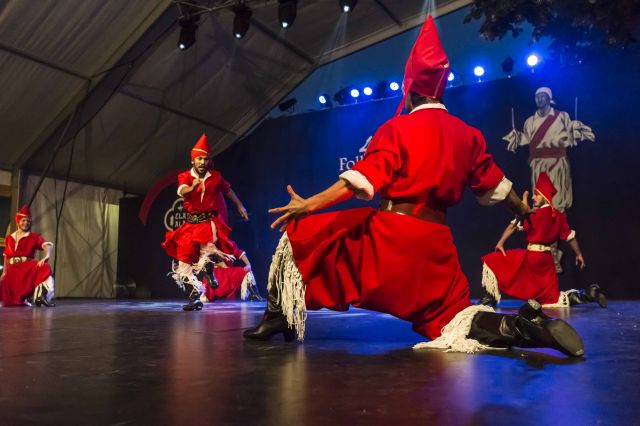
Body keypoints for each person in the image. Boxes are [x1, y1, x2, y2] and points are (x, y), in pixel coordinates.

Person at [243, 17, 585, 358]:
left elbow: (361, 178)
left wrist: (311, 204)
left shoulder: (398, 128)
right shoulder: (468, 135)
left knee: (301, 233)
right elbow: (497, 188)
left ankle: (279, 317)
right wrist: (522, 210)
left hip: (388, 242)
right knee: (454, 318)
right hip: (436, 248)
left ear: (413, 92)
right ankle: (519, 327)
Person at [478, 172, 607, 308]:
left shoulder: (533, 214)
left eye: (536, 194)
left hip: (531, 259)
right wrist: (579, 254)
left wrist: (500, 243)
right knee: (552, 299)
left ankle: (488, 299)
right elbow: (570, 238)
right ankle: (588, 294)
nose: (533, 197)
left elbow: (513, 226)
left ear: (544, 197)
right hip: (546, 261)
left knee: (494, 260)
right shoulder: (558, 216)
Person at [503, 87, 595, 272]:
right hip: (538, 165)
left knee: (557, 205)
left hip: (558, 164)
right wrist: (516, 137)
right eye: (536, 96)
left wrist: (576, 130)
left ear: (549, 98)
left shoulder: (562, 116)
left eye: (542, 96)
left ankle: (553, 251)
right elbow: (526, 140)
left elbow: (571, 136)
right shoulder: (530, 121)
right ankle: (547, 251)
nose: (539, 99)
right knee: (540, 208)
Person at [162, 134, 251, 311]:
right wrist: (192, 187)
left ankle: (210, 271)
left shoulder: (216, 176)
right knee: (184, 262)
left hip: (207, 224)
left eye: (206, 159)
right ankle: (195, 296)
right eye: (199, 159)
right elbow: (181, 190)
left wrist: (240, 205)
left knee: (209, 252)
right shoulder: (185, 176)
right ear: (193, 160)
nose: (202, 162)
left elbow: (228, 190)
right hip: (190, 225)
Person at [1, 205, 55, 307]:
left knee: (44, 267)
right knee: (10, 303)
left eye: (28, 221)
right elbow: (6, 256)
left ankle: (40, 297)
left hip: (26, 269)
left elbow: (47, 244)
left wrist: (47, 255)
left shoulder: (34, 237)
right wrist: (4, 272)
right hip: (12, 271)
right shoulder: (9, 238)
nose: (26, 223)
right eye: (23, 220)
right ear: (18, 222)